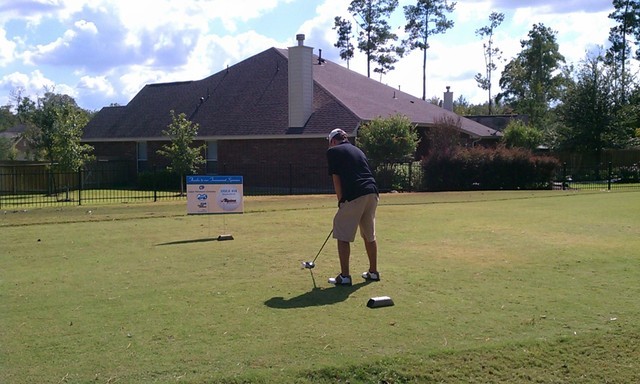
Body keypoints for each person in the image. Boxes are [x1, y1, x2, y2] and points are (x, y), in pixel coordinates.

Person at [326, 128, 380, 286]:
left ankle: (344, 277)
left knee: (342, 234)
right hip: (372, 193)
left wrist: (341, 201)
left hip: (355, 194)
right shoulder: (358, 150)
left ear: (333, 141)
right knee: (369, 234)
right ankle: (373, 272)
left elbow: (336, 179)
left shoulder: (333, 152)